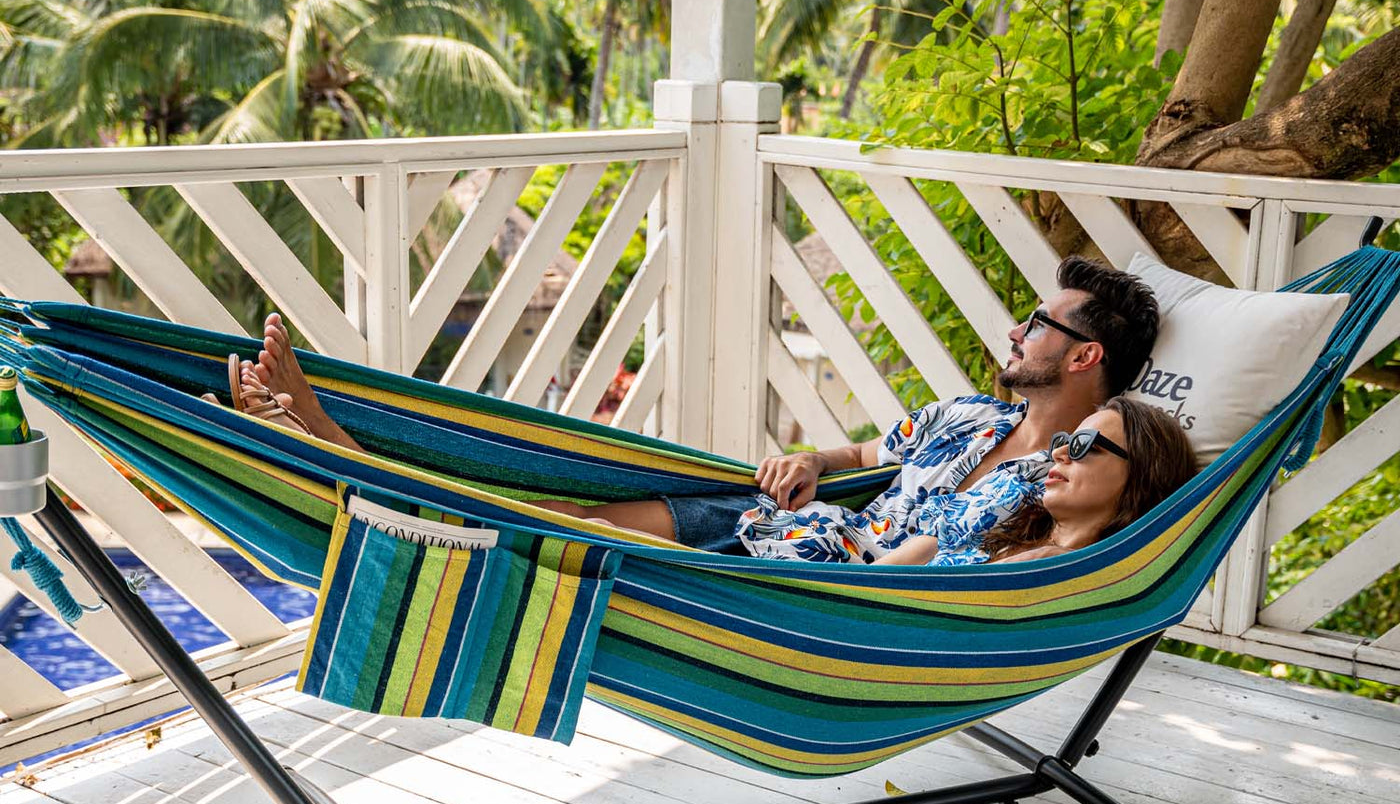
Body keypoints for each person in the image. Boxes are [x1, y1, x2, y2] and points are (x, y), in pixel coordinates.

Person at [238, 255, 1161, 562]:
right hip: (783, 521)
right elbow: (868, 452)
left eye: (1038, 322)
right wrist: (811, 460)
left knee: (542, 548)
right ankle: (338, 444)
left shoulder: (1065, 480)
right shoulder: (966, 415)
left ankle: (330, 446)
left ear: (1084, 355)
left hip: (807, 588)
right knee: (559, 515)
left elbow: (1024, 560)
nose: (1015, 330)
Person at [875, 396, 1197, 567]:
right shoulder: (1002, 508)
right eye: (1063, 440)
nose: (1059, 453)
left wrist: (1048, 561)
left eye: (1083, 445)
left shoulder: (1088, 576)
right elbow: (882, 575)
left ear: (1141, 473)